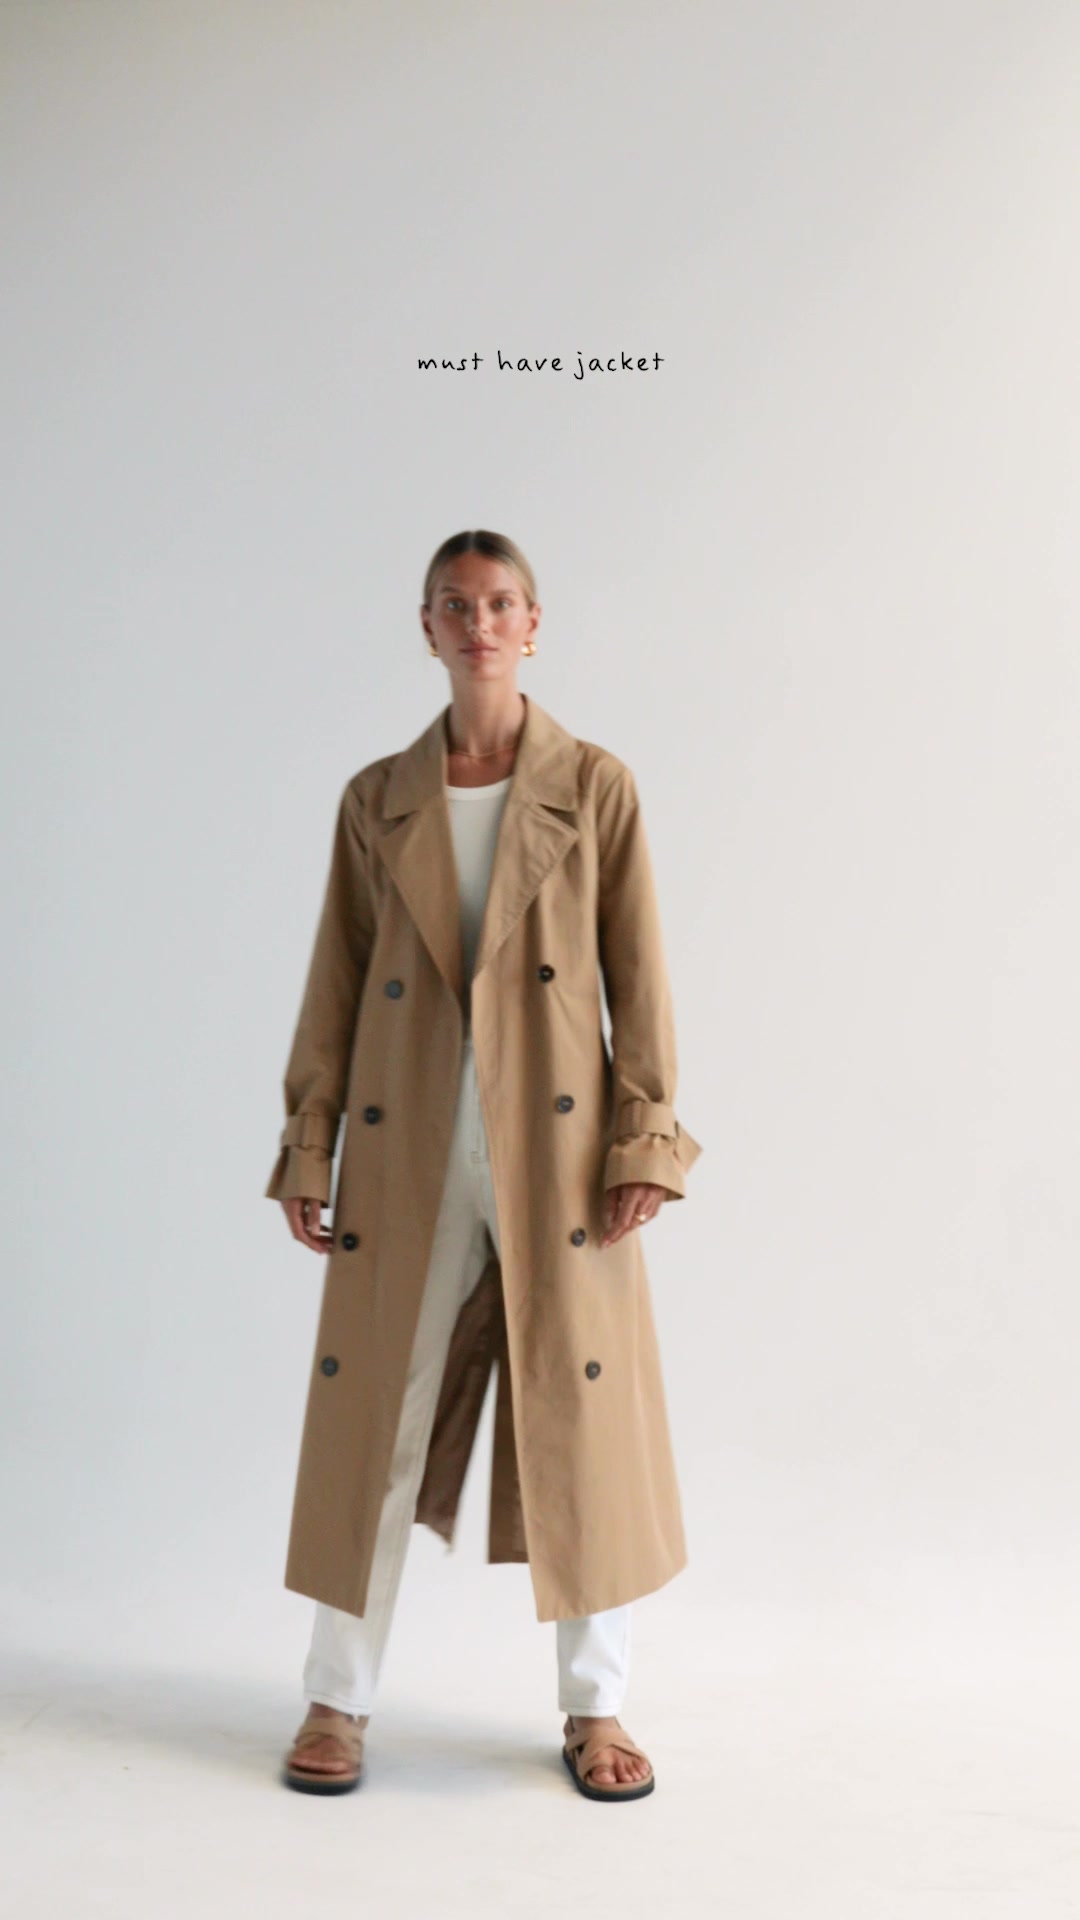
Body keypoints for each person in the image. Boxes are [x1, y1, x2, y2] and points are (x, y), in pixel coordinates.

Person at [270, 530, 702, 1800]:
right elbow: (336, 981)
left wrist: (644, 1137)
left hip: (556, 1151)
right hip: (406, 1139)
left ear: (533, 624)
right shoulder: (378, 797)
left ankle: (598, 1710)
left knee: (584, 1418)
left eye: (500, 603)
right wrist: (310, 1142)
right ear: (427, 627)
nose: (479, 624)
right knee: (379, 1418)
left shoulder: (596, 786)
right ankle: (336, 1699)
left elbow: (640, 979)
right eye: (455, 605)